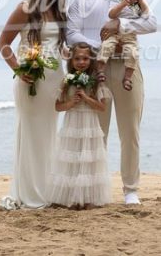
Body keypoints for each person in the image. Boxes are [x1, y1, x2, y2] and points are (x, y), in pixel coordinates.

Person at [66, 0, 157, 205]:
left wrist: (119, 25)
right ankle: (97, 189)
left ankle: (130, 190)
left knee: (130, 131)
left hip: (128, 67)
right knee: (98, 132)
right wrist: (96, 46)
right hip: (99, 68)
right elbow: (71, 33)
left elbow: (152, 23)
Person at [0, 0, 68, 209]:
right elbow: (3, 44)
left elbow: (59, 45)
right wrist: (18, 68)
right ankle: (29, 193)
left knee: (49, 133)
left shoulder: (59, 9)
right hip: (32, 79)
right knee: (31, 134)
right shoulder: (25, 9)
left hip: (54, 78)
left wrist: (68, 54)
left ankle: (48, 189)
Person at [48, 42, 111, 210]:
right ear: (71, 60)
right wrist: (71, 102)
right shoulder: (66, 81)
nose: (81, 62)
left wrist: (86, 98)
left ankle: (88, 198)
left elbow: (102, 107)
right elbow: (57, 106)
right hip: (73, 122)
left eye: (85, 59)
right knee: (72, 159)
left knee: (88, 160)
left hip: (89, 123)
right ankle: (71, 197)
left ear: (91, 60)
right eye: (77, 59)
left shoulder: (96, 81)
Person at [95, 0, 150, 92]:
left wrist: (142, 2)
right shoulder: (115, 0)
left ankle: (127, 78)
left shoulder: (138, 4)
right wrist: (123, 4)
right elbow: (112, 15)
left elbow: (146, 15)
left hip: (130, 34)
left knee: (133, 53)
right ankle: (100, 70)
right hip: (114, 33)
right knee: (106, 46)